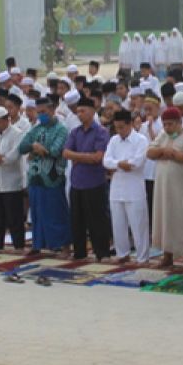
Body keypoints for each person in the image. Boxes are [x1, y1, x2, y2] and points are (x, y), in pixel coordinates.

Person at [148, 106, 183, 268]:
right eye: (165, 124)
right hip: (164, 189)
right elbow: (150, 153)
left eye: (170, 124)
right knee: (165, 219)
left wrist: (167, 154)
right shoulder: (163, 135)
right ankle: (167, 256)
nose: (167, 128)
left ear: (179, 122)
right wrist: (165, 151)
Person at [63, 97, 112, 261]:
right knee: (77, 220)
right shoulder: (75, 132)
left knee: (97, 220)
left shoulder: (101, 132)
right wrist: (85, 156)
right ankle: (80, 253)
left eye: (83, 111)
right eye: (78, 111)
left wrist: (77, 157)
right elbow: (66, 153)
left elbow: (98, 158)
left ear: (92, 112)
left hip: (94, 182)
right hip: (77, 182)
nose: (79, 114)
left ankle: (102, 253)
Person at [19, 98, 71, 253]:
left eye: (44, 112)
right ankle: (39, 244)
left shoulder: (61, 129)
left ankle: (61, 244)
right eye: (39, 112)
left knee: (55, 212)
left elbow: (55, 151)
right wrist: (34, 147)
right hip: (35, 176)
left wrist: (36, 149)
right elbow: (22, 147)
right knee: (37, 213)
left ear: (52, 110)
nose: (41, 115)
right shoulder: (36, 128)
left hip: (53, 178)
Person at [103, 109, 150, 264]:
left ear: (130, 124)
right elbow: (106, 161)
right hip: (117, 188)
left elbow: (136, 163)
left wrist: (117, 164)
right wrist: (120, 163)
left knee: (138, 225)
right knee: (118, 224)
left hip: (134, 188)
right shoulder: (114, 140)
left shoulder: (141, 140)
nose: (119, 131)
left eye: (122, 127)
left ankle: (142, 257)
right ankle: (122, 254)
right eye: (116, 127)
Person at [0, 106, 27, 251]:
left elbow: (13, 156)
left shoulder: (17, 134)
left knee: (15, 218)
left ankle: (18, 245)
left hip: (12, 183)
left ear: (7, 119)